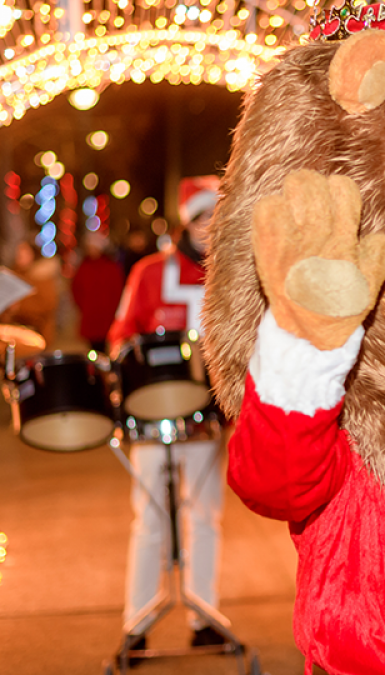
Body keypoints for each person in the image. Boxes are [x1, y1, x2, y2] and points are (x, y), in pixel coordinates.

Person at [107, 176, 226, 653]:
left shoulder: (234, 272)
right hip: (152, 418)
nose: (208, 226)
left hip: (205, 421)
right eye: (200, 216)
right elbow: (120, 334)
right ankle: (137, 622)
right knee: (149, 518)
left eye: (215, 215)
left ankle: (205, 617)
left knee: (205, 516)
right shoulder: (149, 273)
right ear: (186, 221)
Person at [71, 231, 125, 353]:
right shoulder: (84, 267)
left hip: (107, 315)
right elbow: (76, 289)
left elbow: (117, 290)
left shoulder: (111, 267)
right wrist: (83, 305)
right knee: (93, 349)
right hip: (90, 315)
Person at [1, 240, 60, 349]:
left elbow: (47, 305)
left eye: (24, 252)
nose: (20, 256)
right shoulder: (13, 273)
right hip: (14, 336)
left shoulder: (42, 276)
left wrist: (19, 307)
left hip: (37, 334)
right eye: (18, 253)